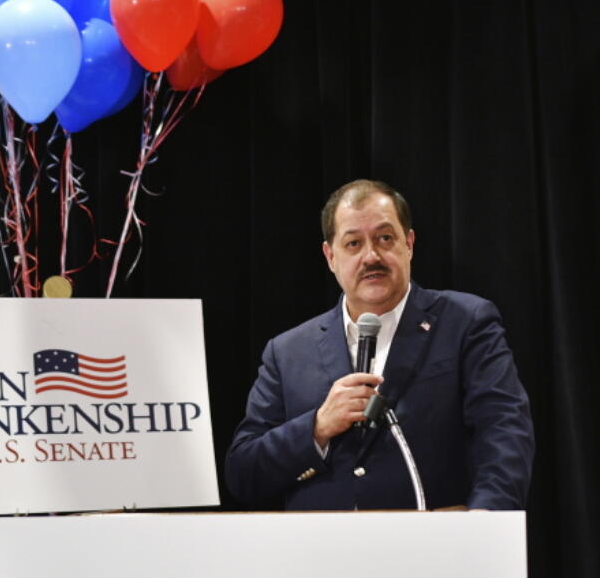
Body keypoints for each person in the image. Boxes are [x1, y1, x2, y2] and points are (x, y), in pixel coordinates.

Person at [224, 179, 534, 511]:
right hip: (322, 556)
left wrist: (481, 523)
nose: (371, 256)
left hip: (436, 552)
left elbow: (504, 434)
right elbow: (244, 472)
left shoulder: (465, 323)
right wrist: (318, 427)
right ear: (330, 256)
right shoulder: (286, 353)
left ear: (409, 244)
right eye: (353, 243)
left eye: (385, 238)